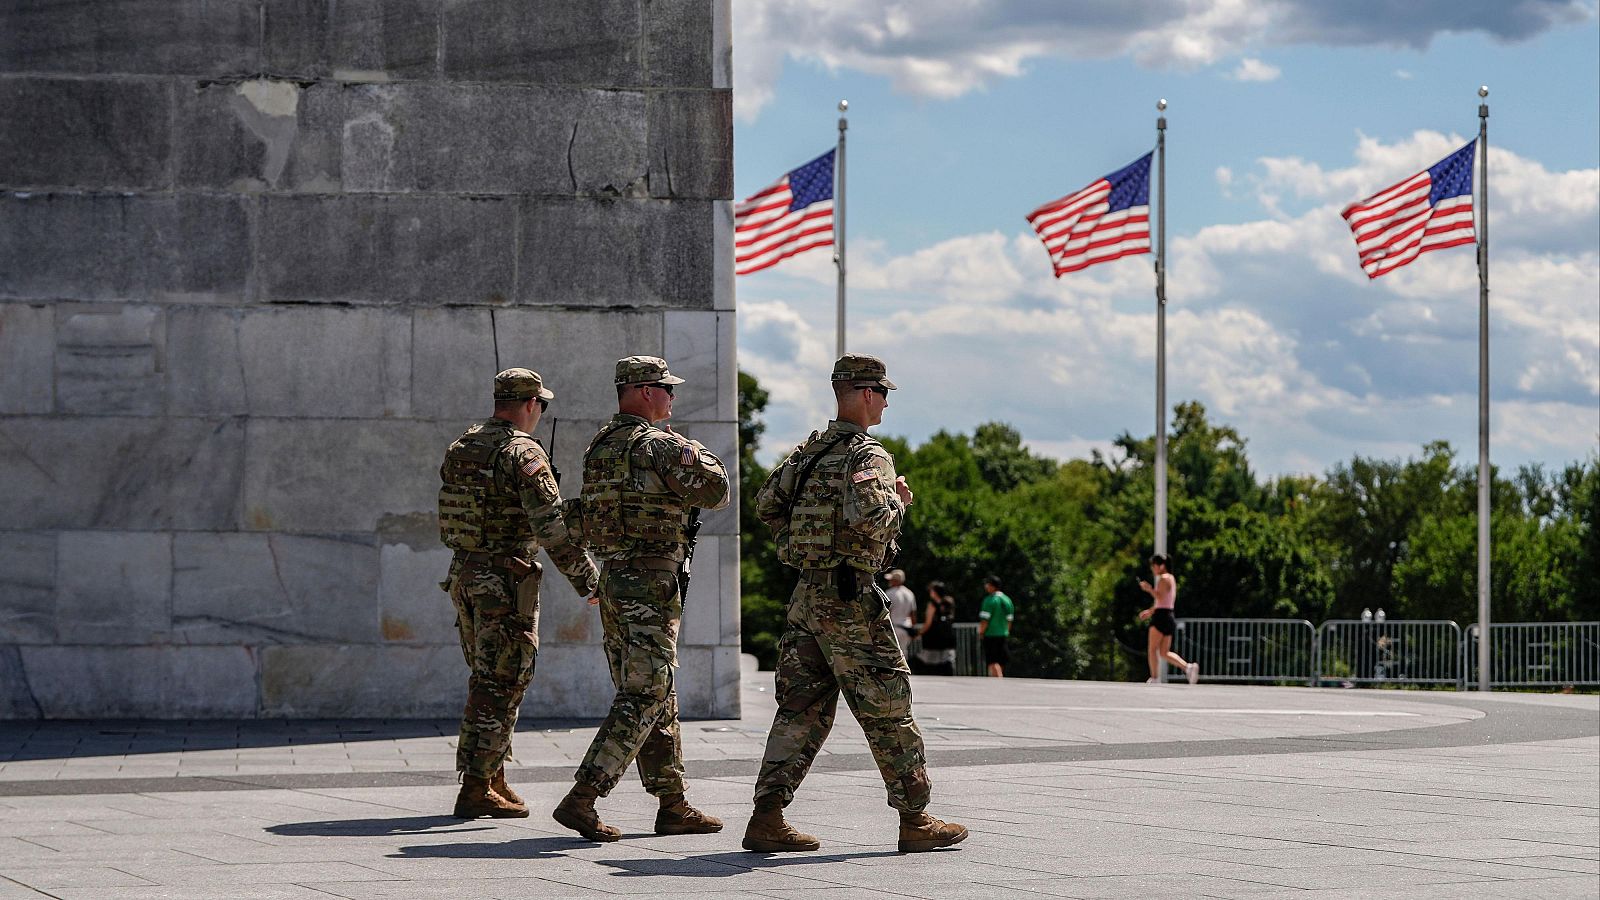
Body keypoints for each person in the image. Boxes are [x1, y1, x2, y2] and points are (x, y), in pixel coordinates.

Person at [745, 353, 968, 854]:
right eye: (884, 392)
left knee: (799, 710)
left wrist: (801, 545)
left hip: (807, 594)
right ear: (867, 394)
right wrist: (899, 503)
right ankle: (915, 818)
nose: (886, 401)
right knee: (889, 705)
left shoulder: (810, 451)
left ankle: (766, 816)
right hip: (849, 599)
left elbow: (765, 505)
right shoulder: (869, 455)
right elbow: (870, 518)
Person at [552, 356, 730, 841]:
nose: (673, 397)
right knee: (647, 692)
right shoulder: (658, 445)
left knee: (657, 695)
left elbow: (581, 516)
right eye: (667, 389)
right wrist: (695, 450)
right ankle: (584, 796)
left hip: (615, 580)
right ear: (646, 391)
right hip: (650, 582)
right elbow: (717, 491)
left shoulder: (600, 447)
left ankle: (672, 805)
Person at [437, 368, 600, 819]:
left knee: (488, 675)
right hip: (504, 581)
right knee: (502, 680)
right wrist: (590, 582)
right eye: (541, 405)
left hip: (465, 574)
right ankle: (475, 787)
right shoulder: (522, 453)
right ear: (530, 404)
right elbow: (552, 529)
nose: (541, 413)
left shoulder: (464, 444)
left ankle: (491, 776)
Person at [1138, 554, 1199, 685]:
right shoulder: (1171, 578)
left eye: (1153, 566)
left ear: (1161, 566)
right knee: (1164, 652)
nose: (1153, 569)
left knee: (1152, 649)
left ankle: (1154, 677)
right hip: (1169, 615)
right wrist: (1149, 611)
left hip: (1161, 617)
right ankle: (1187, 667)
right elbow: (1164, 601)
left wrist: (1148, 589)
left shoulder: (1163, 579)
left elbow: (1159, 597)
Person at [915, 581, 958, 676]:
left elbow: (928, 623)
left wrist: (919, 633)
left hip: (934, 637)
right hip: (948, 636)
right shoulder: (949, 602)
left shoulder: (932, 604)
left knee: (930, 660)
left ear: (934, 592)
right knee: (946, 660)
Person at [977, 576, 1014, 677]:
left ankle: (999, 680)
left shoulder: (989, 600)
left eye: (987, 584)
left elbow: (985, 620)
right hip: (1003, 633)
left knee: (992, 660)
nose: (986, 586)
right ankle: (997, 678)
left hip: (991, 634)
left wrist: (981, 632)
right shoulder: (1007, 600)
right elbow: (1010, 619)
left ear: (992, 586)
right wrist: (1007, 631)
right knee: (1001, 660)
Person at [882, 569, 917, 662]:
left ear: (895, 580)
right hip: (906, 628)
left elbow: (886, 611)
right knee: (904, 652)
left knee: (892, 653)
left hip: (894, 627)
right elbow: (912, 614)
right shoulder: (909, 593)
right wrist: (913, 630)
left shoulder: (889, 593)